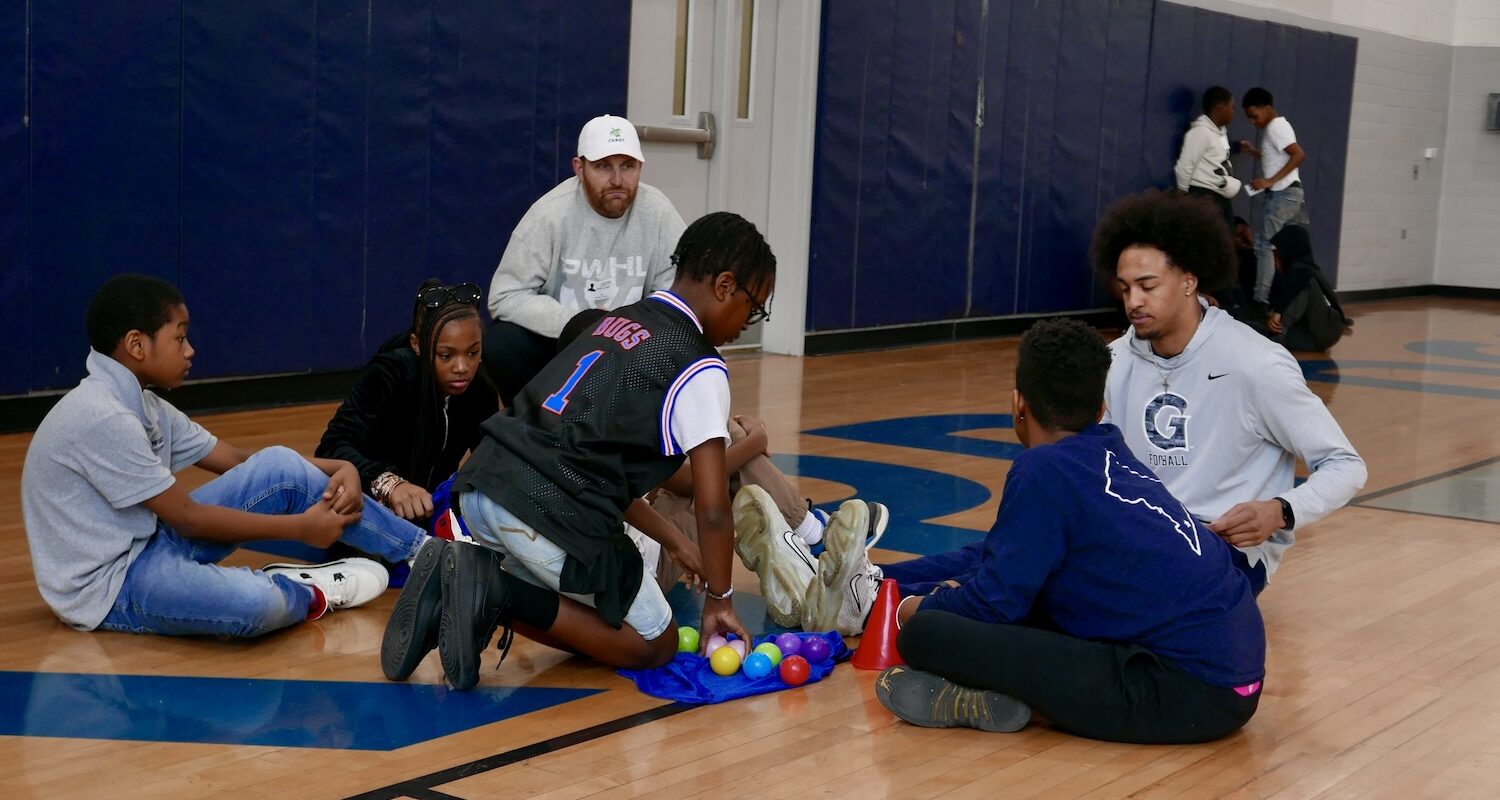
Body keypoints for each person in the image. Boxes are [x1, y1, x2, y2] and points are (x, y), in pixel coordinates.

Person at [381, 212, 773, 691]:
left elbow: (588, 464)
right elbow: (712, 509)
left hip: (483, 485)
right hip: (544, 512)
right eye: (753, 308)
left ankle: (465, 577)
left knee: (599, 600)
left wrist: (672, 540)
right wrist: (720, 599)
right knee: (656, 641)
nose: (745, 325)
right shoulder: (697, 363)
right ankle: (493, 592)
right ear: (725, 286)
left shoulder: (616, 322)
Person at [877, 319, 1265, 744]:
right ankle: (996, 695)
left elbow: (993, 603)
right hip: (1234, 679)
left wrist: (909, 609)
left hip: (1182, 694)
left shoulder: (1041, 469)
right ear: (1100, 409)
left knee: (926, 633)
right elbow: (993, 556)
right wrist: (885, 580)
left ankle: (991, 693)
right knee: (1016, 598)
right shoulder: (1107, 453)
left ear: (1017, 405)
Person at [21, 274, 429, 638]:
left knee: (280, 466)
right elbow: (188, 518)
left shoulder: (144, 405)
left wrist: (344, 467)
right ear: (136, 345)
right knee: (258, 605)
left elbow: (243, 463)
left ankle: (426, 553)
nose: (190, 350)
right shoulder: (103, 416)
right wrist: (299, 528)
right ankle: (309, 591)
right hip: (112, 586)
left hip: (151, 541)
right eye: (179, 338)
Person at [553, 308, 891, 636]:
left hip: (632, 555)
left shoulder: (565, 411)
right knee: (728, 449)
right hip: (645, 570)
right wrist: (755, 440)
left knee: (724, 439)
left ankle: (803, 553)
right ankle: (812, 536)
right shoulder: (612, 419)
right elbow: (690, 481)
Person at [1092, 191, 1366, 594]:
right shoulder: (1114, 361)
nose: (1134, 301)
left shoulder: (1256, 363)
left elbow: (1346, 464)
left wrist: (1281, 511)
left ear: (1189, 280)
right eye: (1126, 288)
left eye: (1147, 285)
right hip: (1142, 538)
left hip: (1226, 551)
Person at [483, 114, 687, 406]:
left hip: (632, 345)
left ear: (640, 167)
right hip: (562, 344)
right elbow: (505, 296)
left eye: (627, 166)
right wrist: (580, 324)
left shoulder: (658, 212)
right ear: (579, 168)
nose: (618, 180)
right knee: (502, 343)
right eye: (603, 166)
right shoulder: (550, 214)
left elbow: (677, 295)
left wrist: (624, 327)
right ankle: (533, 427)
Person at [317, 280, 498, 523]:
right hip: (368, 510)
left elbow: (490, 460)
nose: (462, 367)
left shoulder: (480, 390)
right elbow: (331, 447)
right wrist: (390, 484)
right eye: (446, 355)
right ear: (417, 344)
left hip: (430, 515)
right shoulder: (388, 375)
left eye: (473, 352)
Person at [1239, 87, 1308, 306]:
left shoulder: (1276, 127)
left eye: (1253, 116)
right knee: (1295, 249)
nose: (1252, 122)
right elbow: (1277, 157)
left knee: (1263, 245)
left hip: (1283, 195)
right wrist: (1256, 153)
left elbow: (1299, 155)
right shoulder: (1275, 127)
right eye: (1248, 118)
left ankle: (1261, 299)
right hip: (1290, 194)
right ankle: (1311, 297)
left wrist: (1269, 181)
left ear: (1267, 108)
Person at [1267, 225, 1350, 351]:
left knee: (1304, 282)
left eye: (1278, 253)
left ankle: (1281, 331)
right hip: (1307, 330)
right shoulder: (1290, 270)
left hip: (1324, 332)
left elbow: (1292, 293)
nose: (1276, 258)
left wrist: (1278, 314)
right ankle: (1279, 331)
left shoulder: (1305, 272)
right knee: (1256, 330)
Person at [1174, 85, 1241, 232]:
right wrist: (1183, 195)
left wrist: (1239, 147)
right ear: (1220, 107)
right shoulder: (1200, 132)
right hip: (1203, 195)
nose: (1233, 112)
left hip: (1220, 195)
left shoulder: (1220, 133)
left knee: (1226, 238)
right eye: (1231, 107)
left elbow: (1220, 155)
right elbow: (1185, 164)